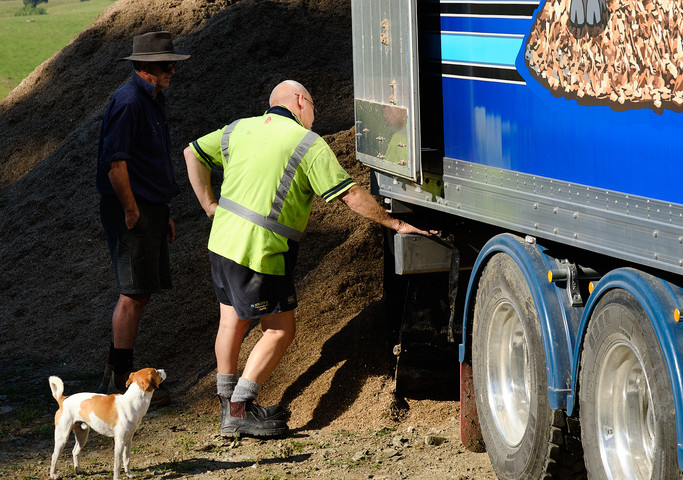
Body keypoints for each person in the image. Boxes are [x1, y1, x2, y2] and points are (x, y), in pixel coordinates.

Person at [184, 80, 435, 438]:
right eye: (313, 106)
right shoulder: (306, 143)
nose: (315, 115)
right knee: (280, 330)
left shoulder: (239, 128)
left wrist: (210, 205)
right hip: (259, 250)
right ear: (300, 102)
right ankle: (239, 410)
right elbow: (349, 195)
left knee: (232, 323)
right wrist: (394, 222)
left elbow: (191, 153)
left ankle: (228, 406)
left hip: (222, 242)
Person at [95, 31, 190, 405]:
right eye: (167, 64)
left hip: (147, 207)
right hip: (130, 209)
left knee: (141, 291)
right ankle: (121, 383)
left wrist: (159, 212)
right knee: (132, 294)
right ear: (145, 66)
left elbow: (149, 162)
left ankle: (116, 371)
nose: (172, 70)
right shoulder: (130, 101)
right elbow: (115, 163)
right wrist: (133, 209)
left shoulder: (151, 98)